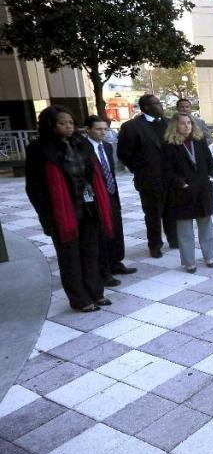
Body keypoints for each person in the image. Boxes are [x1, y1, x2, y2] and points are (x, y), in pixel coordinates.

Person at [26, 106, 113, 313]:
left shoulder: (81, 143)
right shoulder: (39, 149)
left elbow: (93, 173)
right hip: (61, 212)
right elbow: (34, 188)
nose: (68, 127)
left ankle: (95, 291)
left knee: (91, 252)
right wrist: (46, 216)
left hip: (88, 206)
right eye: (62, 123)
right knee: (70, 257)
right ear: (50, 125)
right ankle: (79, 298)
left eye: (71, 123)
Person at [118, 94, 178, 257]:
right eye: (156, 103)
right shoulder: (131, 127)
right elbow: (124, 153)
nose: (161, 106)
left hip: (171, 178)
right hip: (149, 179)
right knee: (153, 214)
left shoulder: (169, 123)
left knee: (171, 211)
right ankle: (155, 245)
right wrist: (140, 169)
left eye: (160, 102)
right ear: (145, 108)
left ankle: (174, 239)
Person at [84, 115, 136, 285]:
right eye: (98, 129)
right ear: (88, 130)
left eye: (105, 129)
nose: (103, 133)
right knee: (102, 233)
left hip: (111, 193)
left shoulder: (106, 146)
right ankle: (103, 271)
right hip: (95, 197)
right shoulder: (82, 148)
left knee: (116, 229)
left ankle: (116, 263)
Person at [162, 114, 213, 273]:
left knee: (205, 226)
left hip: (202, 190)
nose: (186, 126)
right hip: (182, 192)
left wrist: (211, 176)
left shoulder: (199, 142)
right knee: (185, 230)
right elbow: (166, 170)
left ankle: (209, 256)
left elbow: (210, 162)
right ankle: (189, 261)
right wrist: (181, 183)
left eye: (189, 123)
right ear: (175, 126)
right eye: (182, 123)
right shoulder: (169, 145)